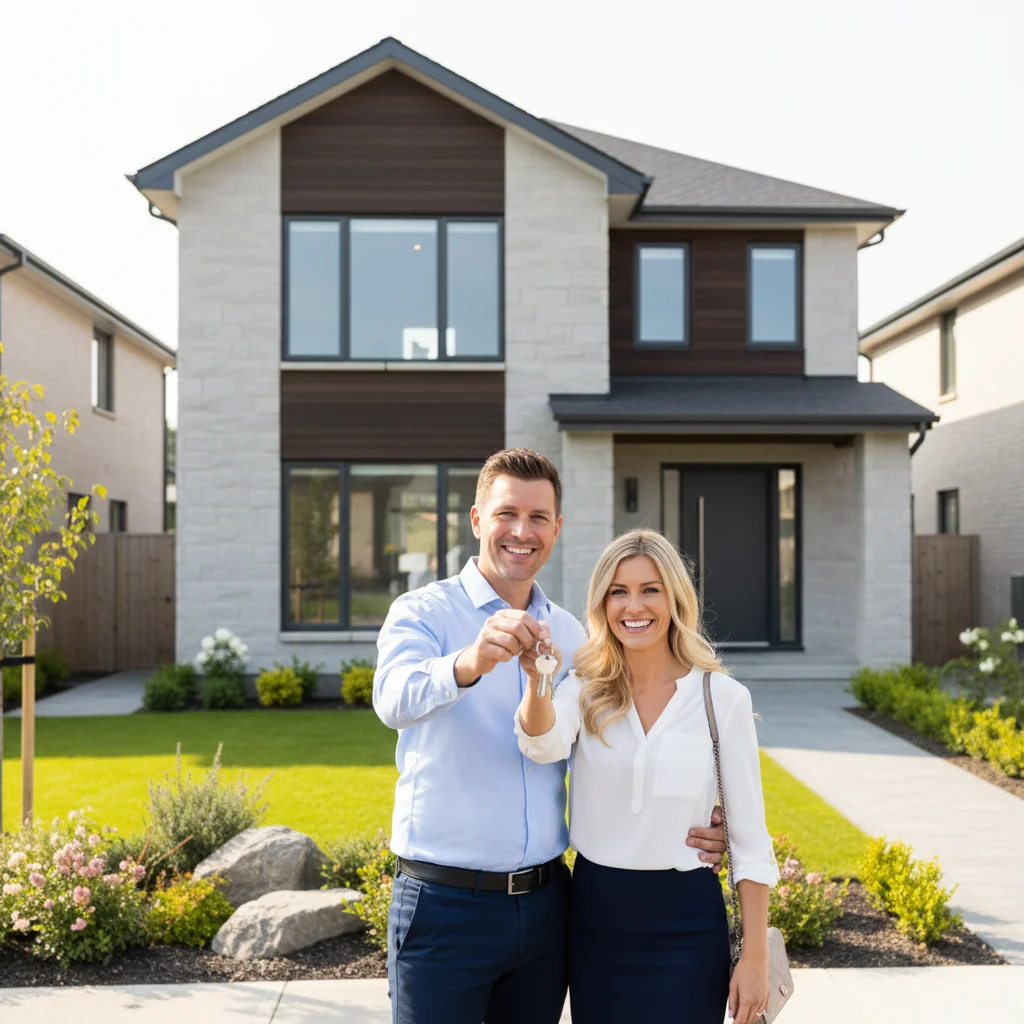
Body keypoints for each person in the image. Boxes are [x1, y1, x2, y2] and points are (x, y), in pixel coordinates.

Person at [374, 450, 727, 1024]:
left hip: (547, 908)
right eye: (506, 513)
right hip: (443, 906)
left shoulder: (571, 634)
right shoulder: (424, 612)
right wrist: (468, 662)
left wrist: (711, 818)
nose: (522, 531)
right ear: (476, 520)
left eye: (539, 517)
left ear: (557, 528)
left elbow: (621, 741)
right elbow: (392, 700)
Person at [517, 528, 778, 1024]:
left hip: (687, 922)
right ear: (602, 602)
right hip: (596, 916)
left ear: (675, 598)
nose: (633, 606)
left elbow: (749, 840)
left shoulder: (721, 699)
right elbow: (541, 742)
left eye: (649, 589)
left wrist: (755, 959)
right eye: (618, 591)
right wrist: (537, 681)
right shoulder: (586, 687)